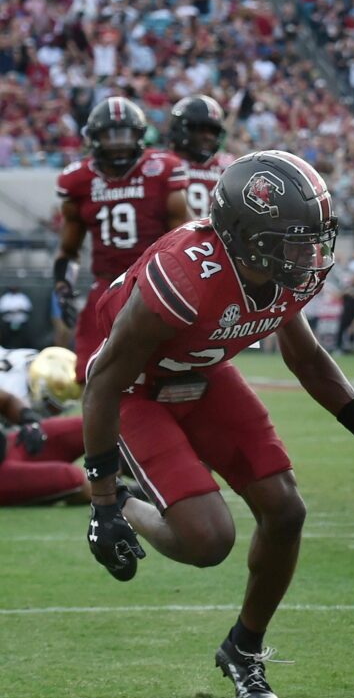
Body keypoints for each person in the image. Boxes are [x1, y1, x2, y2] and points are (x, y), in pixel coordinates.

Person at [80, 151, 354, 698]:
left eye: (314, 237)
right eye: (294, 239)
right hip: (134, 390)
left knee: (286, 509)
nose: (310, 253)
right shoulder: (183, 276)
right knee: (207, 540)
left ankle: (244, 650)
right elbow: (101, 381)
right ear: (248, 236)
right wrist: (103, 502)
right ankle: (127, 504)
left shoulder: (281, 271)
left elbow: (309, 359)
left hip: (200, 371)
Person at [54, 97, 192, 383]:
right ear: (94, 139)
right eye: (109, 135)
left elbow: (185, 235)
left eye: (125, 134)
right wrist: (63, 283)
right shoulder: (77, 180)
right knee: (89, 375)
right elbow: (69, 248)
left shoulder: (162, 169)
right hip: (106, 285)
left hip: (153, 282)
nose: (118, 143)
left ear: (139, 135)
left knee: (162, 372)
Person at [0, 346, 87, 506]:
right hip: (3, 474)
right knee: (74, 478)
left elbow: (6, 401)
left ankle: (140, 473)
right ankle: (127, 494)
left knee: (93, 426)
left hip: (11, 445)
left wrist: (29, 420)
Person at [167, 95, 235, 218]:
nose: (208, 137)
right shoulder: (164, 165)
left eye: (213, 131)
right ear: (180, 127)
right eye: (201, 129)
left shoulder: (228, 166)